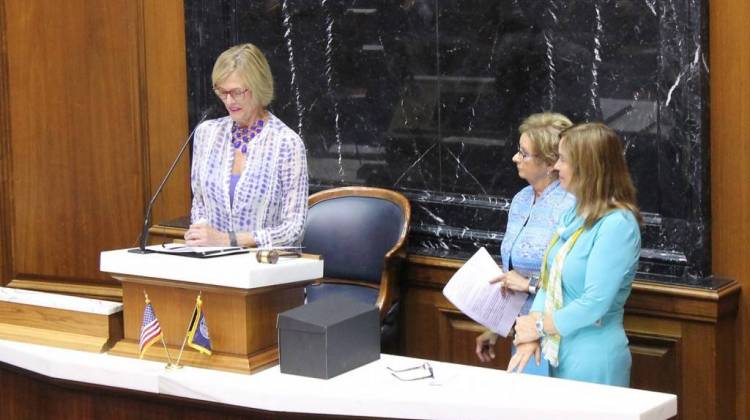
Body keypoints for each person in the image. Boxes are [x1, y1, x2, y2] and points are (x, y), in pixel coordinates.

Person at [508, 122, 641, 387]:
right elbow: (548, 282)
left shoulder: (618, 224)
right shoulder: (574, 214)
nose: (556, 167)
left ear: (589, 167)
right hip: (554, 354)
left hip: (593, 359)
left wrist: (538, 327)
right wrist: (530, 332)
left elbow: (595, 302)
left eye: (564, 160)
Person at [475, 112, 575, 376]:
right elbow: (512, 276)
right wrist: (499, 326)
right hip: (523, 333)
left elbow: (577, 283)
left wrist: (529, 285)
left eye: (524, 154)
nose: (515, 158)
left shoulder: (572, 205)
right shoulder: (521, 200)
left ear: (551, 162)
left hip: (560, 336)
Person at [184, 43, 308, 248]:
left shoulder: (286, 143)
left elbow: (294, 229)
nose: (229, 100)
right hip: (212, 262)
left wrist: (229, 241)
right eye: (222, 92)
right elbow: (200, 205)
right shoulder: (207, 134)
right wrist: (201, 233)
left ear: (258, 87)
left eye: (237, 92)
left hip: (266, 267)